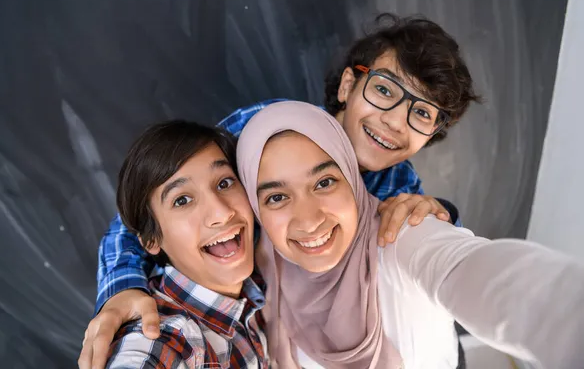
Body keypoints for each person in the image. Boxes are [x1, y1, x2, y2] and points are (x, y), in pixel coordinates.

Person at [79, 13, 479, 368]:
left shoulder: (398, 183)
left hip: (276, 330)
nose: (394, 121)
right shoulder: (267, 130)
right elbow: (149, 205)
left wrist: (439, 212)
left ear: (431, 136)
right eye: (386, 91)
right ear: (347, 85)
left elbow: (435, 250)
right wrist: (122, 287)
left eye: (423, 113)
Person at [236, 101, 584, 369]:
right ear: (255, 206)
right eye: (277, 197)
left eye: (325, 182)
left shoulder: (400, 236)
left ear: (352, 179)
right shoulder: (267, 264)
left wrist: (569, 321)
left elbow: (478, 272)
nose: (308, 220)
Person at [103, 121, 268, 368]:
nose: (221, 213)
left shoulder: (260, 286)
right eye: (182, 200)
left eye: (224, 183)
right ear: (151, 240)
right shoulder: (163, 337)